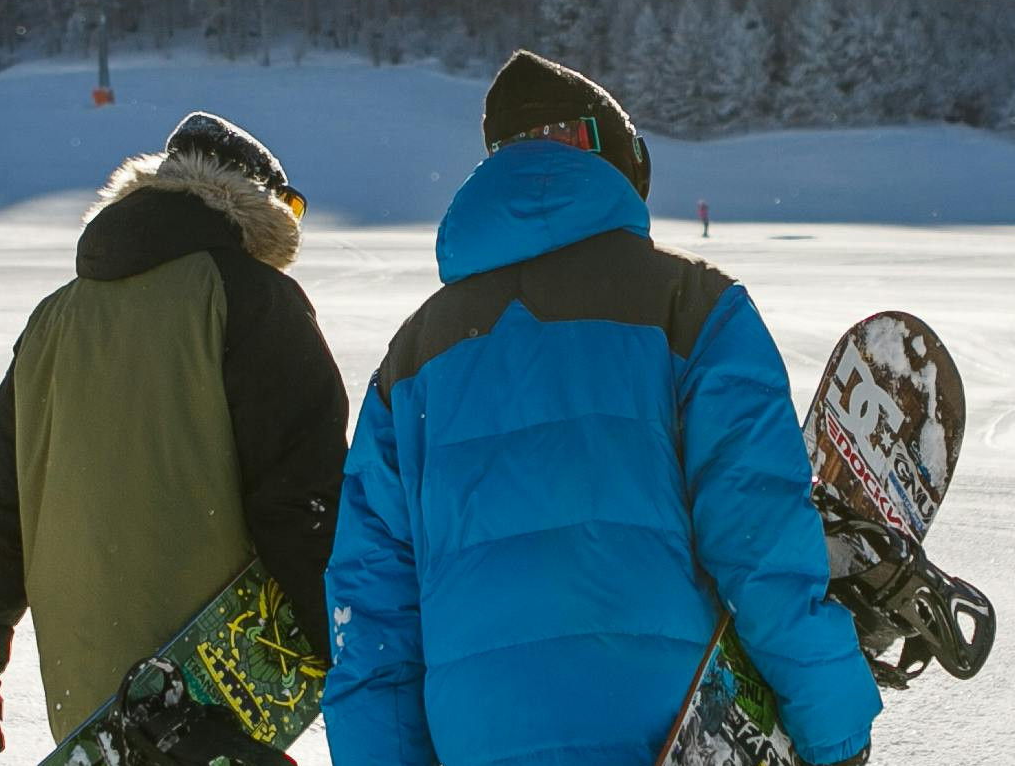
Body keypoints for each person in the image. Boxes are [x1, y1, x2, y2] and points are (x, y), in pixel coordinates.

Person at [324, 51, 879, 766]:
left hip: (480, 739)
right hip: (671, 729)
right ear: (617, 161)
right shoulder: (692, 306)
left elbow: (370, 616)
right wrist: (833, 726)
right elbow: (758, 539)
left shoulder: (410, 360)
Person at [0, 112, 348, 764]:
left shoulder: (54, 319)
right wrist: (358, 658)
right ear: (260, 207)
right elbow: (304, 507)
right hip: (212, 696)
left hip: (95, 707)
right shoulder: (253, 298)